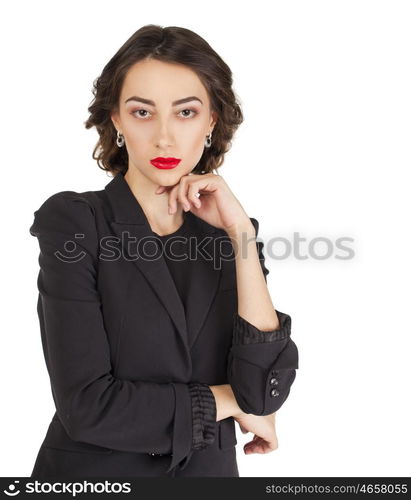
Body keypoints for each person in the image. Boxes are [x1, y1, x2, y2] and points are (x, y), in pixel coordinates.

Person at [29, 24, 299, 478]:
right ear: (115, 118)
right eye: (142, 112)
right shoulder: (77, 222)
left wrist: (240, 235)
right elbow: (88, 407)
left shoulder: (230, 237)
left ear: (212, 121)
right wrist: (229, 400)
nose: (165, 137)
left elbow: (265, 389)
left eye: (186, 112)